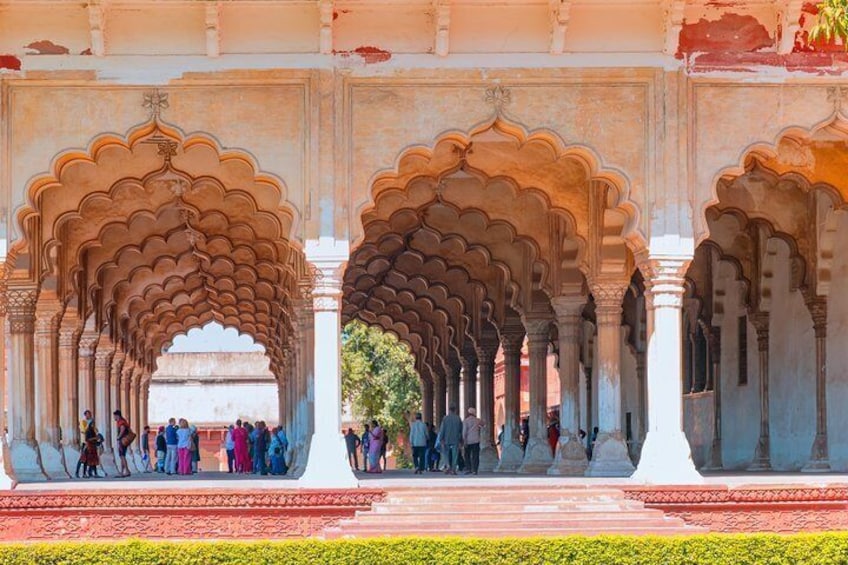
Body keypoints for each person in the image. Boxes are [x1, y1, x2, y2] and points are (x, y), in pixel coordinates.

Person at [439, 405, 463, 475]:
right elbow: (461, 430)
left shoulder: (445, 418)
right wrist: (461, 439)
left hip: (447, 438)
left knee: (445, 453)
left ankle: (448, 465)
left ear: (449, 410)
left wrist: (441, 438)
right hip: (455, 438)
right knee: (455, 454)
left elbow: (442, 429)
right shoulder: (458, 418)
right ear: (455, 410)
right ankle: (454, 468)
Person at [462, 407, 482, 475]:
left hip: (468, 440)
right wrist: (479, 427)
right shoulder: (477, 420)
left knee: (467, 455)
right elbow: (483, 424)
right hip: (476, 440)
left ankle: (469, 468)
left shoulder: (466, 421)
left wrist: (464, 440)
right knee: (475, 455)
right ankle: (475, 470)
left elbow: (464, 431)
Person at [113, 410, 132, 478]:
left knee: (122, 456)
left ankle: (127, 471)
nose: (114, 417)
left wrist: (118, 437)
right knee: (122, 456)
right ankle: (122, 471)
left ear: (117, 415)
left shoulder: (121, 421)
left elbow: (122, 429)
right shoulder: (123, 420)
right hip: (125, 440)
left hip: (122, 440)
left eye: (114, 416)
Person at [75, 410, 93, 478]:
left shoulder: (91, 422)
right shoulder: (83, 422)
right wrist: (89, 424)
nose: (89, 415)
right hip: (84, 442)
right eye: (88, 414)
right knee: (82, 458)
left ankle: (84, 473)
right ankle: (77, 472)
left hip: (90, 442)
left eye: (90, 414)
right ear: (85, 415)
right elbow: (83, 430)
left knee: (87, 459)